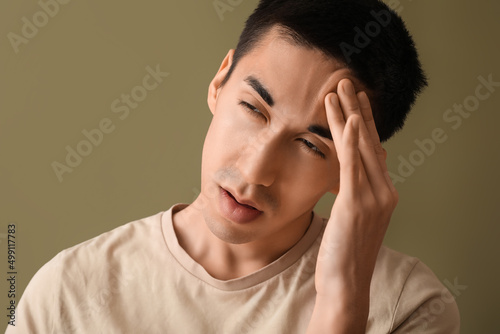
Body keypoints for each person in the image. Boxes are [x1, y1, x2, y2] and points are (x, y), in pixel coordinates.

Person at [6, 0, 460, 333]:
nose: (257, 170)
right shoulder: (68, 292)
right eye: (253, 108)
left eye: (309, 144)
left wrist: (343, 297)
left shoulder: (410, 308)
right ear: (220, 81)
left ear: (354, 164)